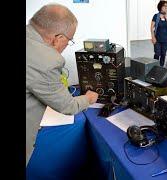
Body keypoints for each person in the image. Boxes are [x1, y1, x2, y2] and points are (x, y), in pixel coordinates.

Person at [26, 4, 99, 165]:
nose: (67, 44)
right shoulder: (46, 60)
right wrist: (88, 98)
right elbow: (68, 106)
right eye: (69, 40)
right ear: (58, 38)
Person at [150, 1, 167, 67]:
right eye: (164, 6)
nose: (166, 7)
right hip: (157, 39)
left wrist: (166, 17)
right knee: (157, 53)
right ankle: (154, 67)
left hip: (165, 39)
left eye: (166, 6)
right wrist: (153, 37)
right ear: (160, 7)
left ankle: (161, 68)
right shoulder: (156, 16)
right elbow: (151, 27)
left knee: (163, 54)